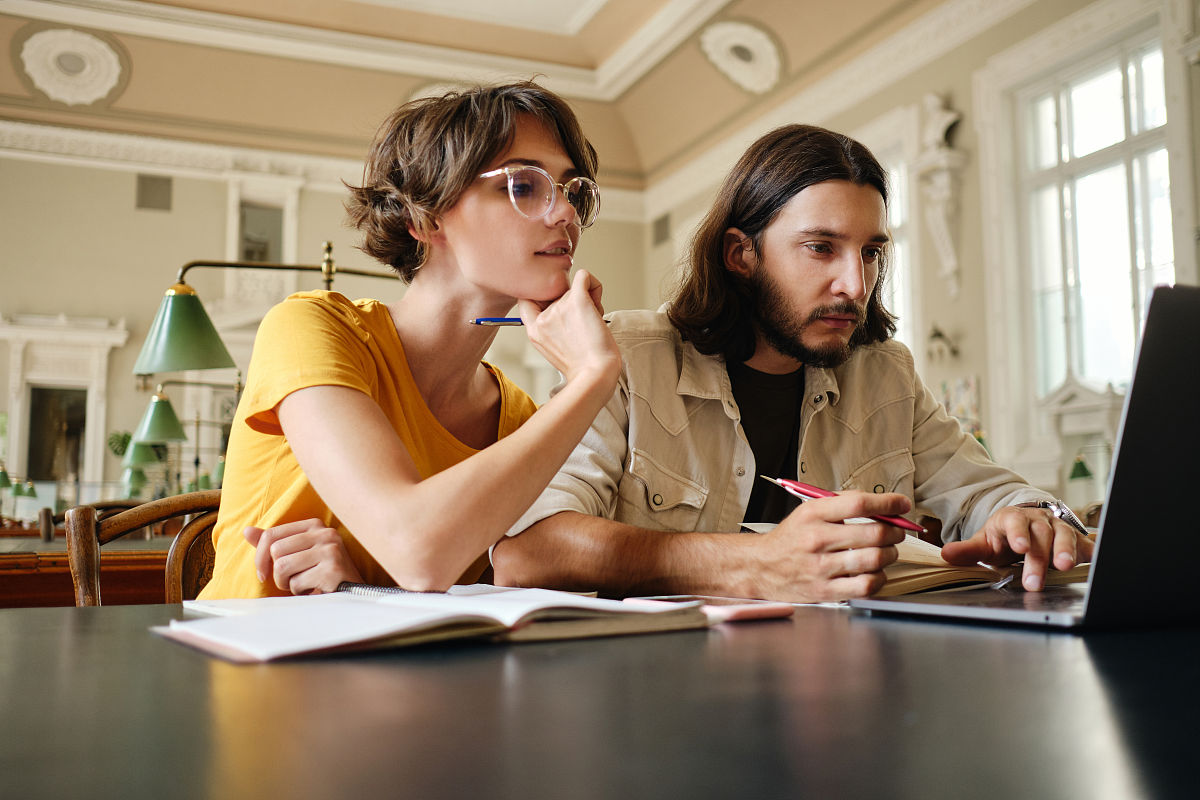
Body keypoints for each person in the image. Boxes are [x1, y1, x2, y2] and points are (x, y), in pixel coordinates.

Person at [488, 123, 1094, 603]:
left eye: (871, 253)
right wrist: (757, 565)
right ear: (741, 254)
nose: (855, 284)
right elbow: (528, 553)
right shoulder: (626, 356)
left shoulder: (887, 374)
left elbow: (988, 494)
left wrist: (1036, 516)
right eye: (820, 247)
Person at [198, 82, 621, 598]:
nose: (565, 215)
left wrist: (361, 587)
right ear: (425, 217)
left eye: (572, 190)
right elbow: (419, 552)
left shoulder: (521, 423)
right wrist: (591, 378)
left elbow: (474, 597)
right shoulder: (312, 329)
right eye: (525, 186)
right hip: (244, 667)